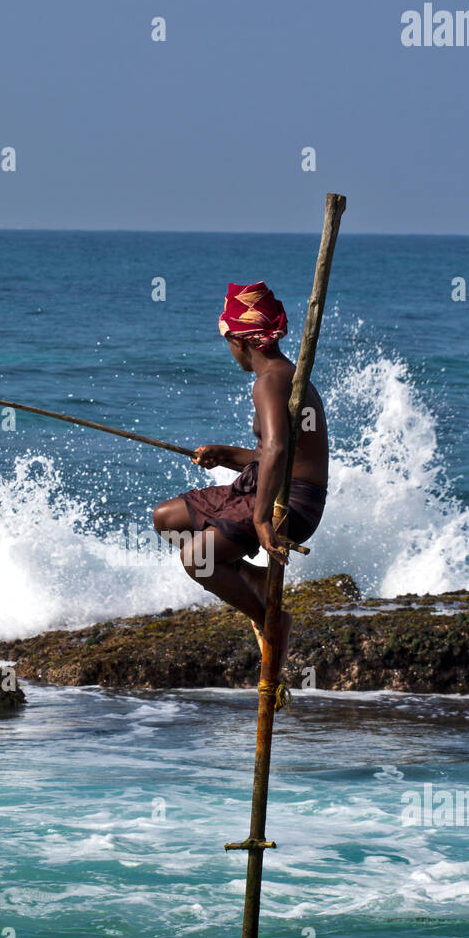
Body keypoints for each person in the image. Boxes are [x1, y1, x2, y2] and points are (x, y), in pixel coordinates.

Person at [152, 281, 328, 671]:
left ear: (242, 342)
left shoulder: (269, 382)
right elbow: (271, 453)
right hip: (260, 484)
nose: (230, 351)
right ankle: (250, 574)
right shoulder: (283, 377)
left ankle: (272, 619)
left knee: (196, 558)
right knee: (166, 518)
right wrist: (226, 454)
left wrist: (263, 521)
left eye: (229, 343)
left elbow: (279, 451)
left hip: (291, 503)